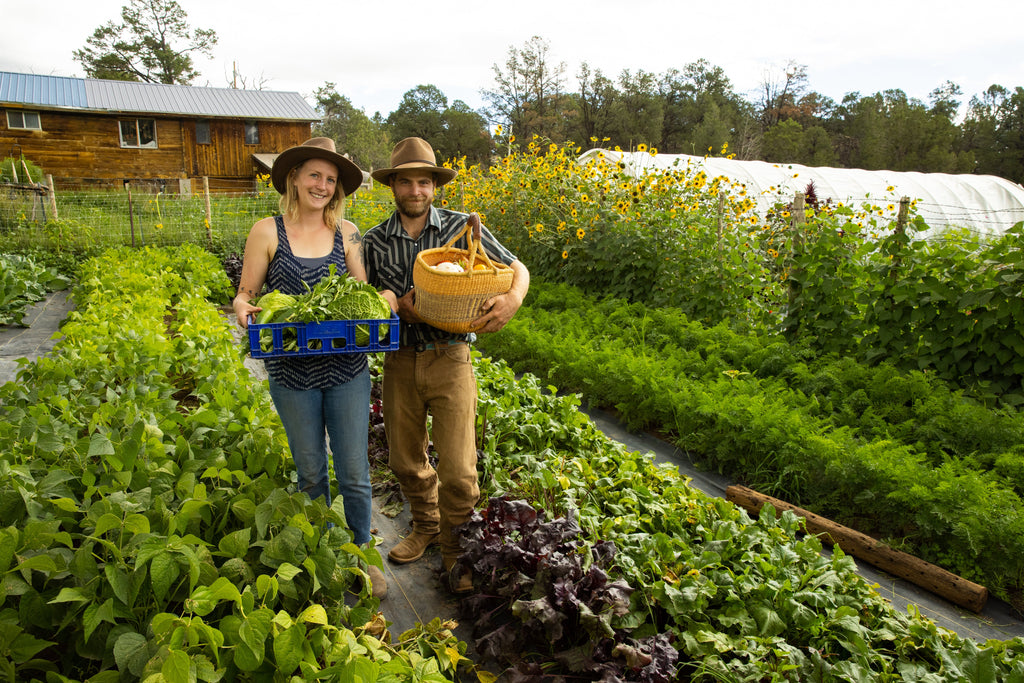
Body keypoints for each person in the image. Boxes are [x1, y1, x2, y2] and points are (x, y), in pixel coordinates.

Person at [360, 137, 530, 593]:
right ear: (392, 186)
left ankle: (457, 549)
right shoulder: (374, 241)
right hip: (399, 360)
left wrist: (512, 298)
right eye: (405, 182)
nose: (415, 190)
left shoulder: (462, 227)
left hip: (451, 357)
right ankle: (426, 525)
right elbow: (366, 300)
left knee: (459, 469)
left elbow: (517, 267)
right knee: (404, 459)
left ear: (434, 186)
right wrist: (395, 307)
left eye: (423, 181)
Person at [232, 137, 393, 599]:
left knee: (355, 472)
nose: (322, 185)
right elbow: (245, 293)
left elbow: (363, 293)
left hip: (346, 370)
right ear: (294, 179)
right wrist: (243, 308)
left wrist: (381, 301)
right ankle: (322, 554)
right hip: (290, 374)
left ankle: (362, 558)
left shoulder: (348, 233)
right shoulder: (267, 230)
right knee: (311, 474)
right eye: (314, 175)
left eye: (330, 178)